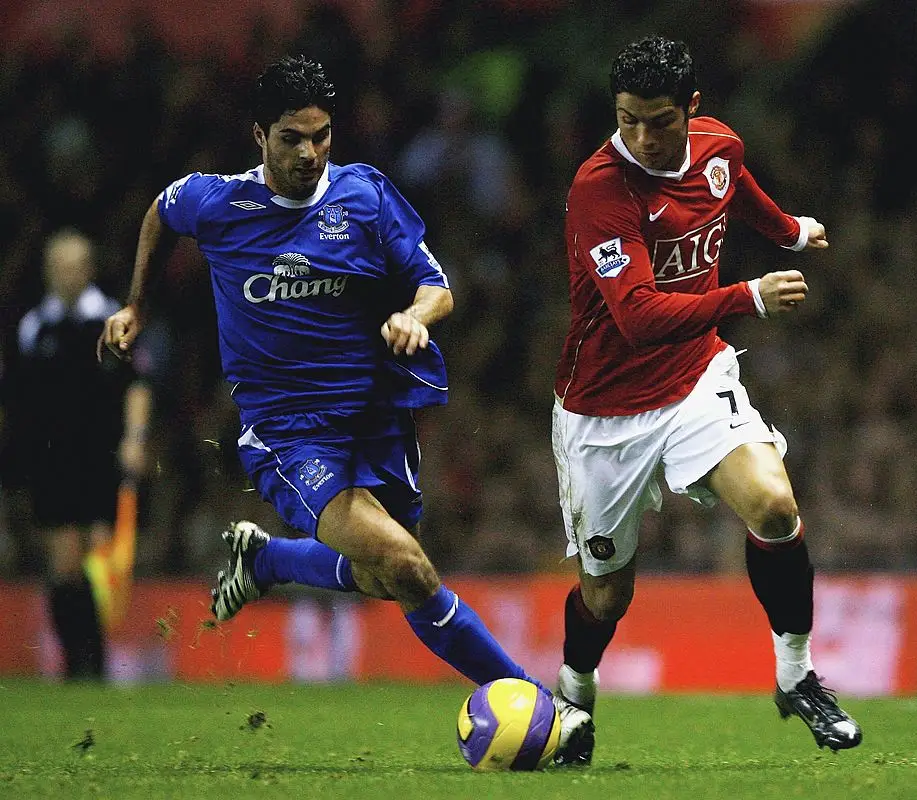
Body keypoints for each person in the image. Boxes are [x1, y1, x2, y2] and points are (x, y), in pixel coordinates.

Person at [97, 55, 590, 754]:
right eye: (292, 138)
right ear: (259, 135)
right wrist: (135, 306)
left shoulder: (364, 197)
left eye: (322, 136)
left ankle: (266, 562)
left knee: (383, 577)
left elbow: (436, 284)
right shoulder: (217, 201)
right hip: (287, 433)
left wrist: (418, 316)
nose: (309, 152)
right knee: (410, 566)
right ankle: (546, 711)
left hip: (374, 420)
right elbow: (159, 211)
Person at [549, 35, 863, 765]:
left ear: (691, 109)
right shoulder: (601, 189)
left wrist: (788, 231)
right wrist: (747, 294)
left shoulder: (720, 145)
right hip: (604, 413)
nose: (641, 137)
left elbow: (734, 186)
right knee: (606, 598)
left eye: (658, 121)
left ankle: (796, 676)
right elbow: (636, 314)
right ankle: (573, 692)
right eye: (627, 120)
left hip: (693, 378)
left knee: (776, 507)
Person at [2, 228, 150, 679]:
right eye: (58, 267)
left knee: (94, 558)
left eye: (74, 266)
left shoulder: (108, 320)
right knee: (63, 561)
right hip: (50, 458)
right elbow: (16, 398)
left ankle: (89, 660)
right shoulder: (34, 326)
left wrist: (135, 438)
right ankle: (83, 662)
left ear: (88, 269)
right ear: (48, 272)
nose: (66, 275)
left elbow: (137, 385)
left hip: (99, 453)